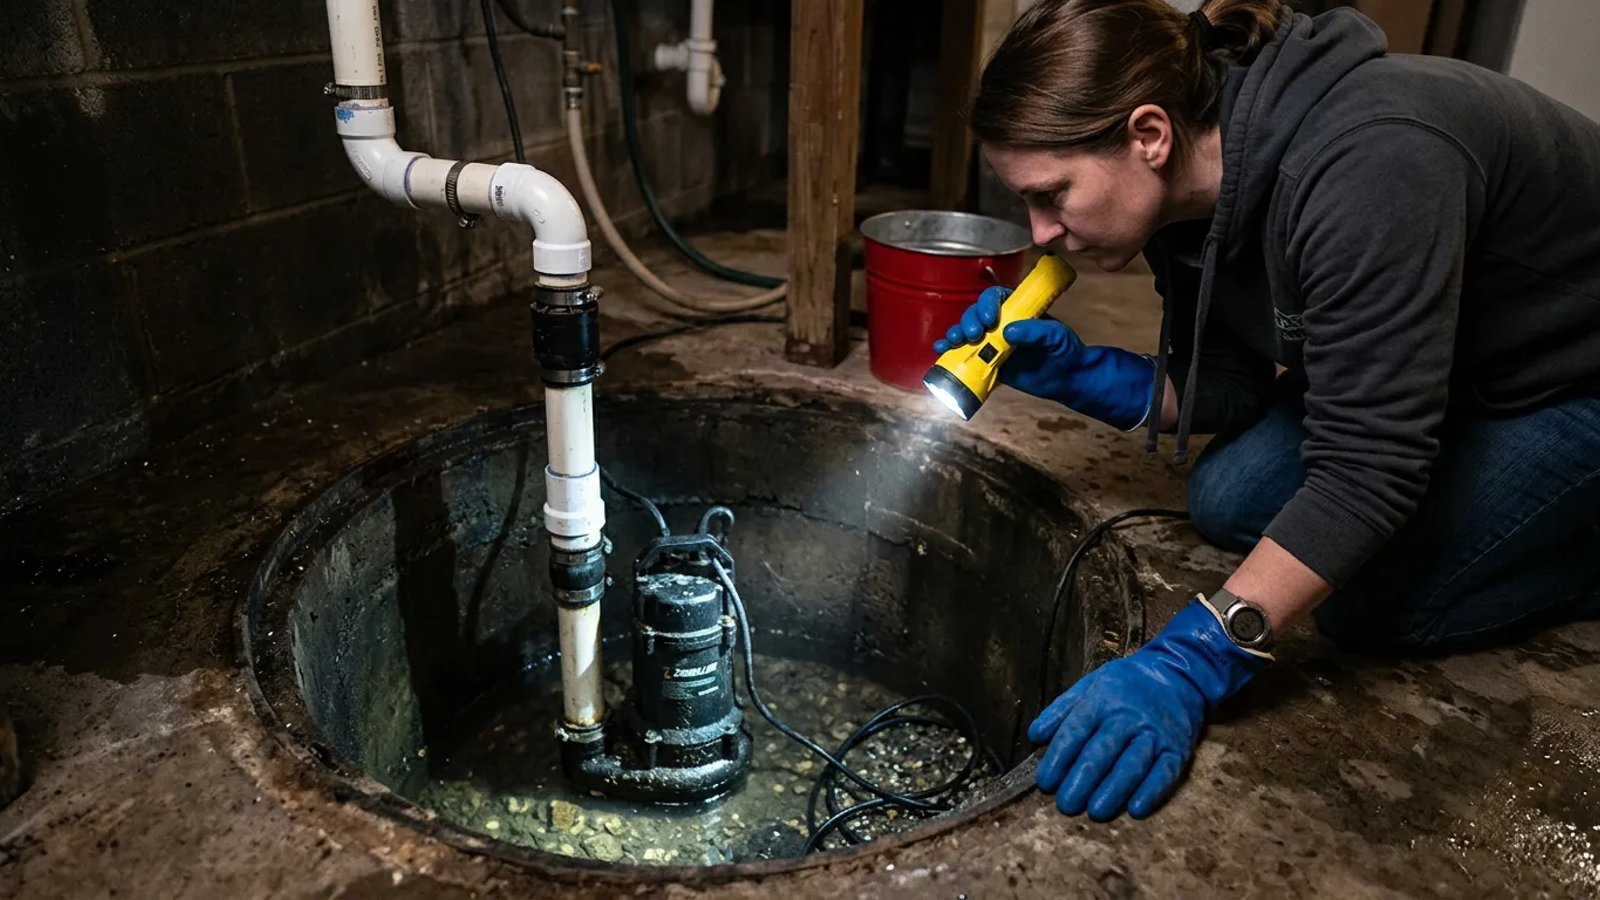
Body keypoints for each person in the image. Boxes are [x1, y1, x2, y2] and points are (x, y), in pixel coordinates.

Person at [935, 0, 1600, 822]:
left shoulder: (1375, 161)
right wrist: (1080, 375)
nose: (1041, 233)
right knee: (1232, 499)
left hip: (1576, 381)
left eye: (1053, 194)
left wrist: (1194, 658)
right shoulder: (1185, 192)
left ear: (1148, 135)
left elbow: (1370, 471)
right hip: (1467, 366)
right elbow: (1232, 381)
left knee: (1369, 606)